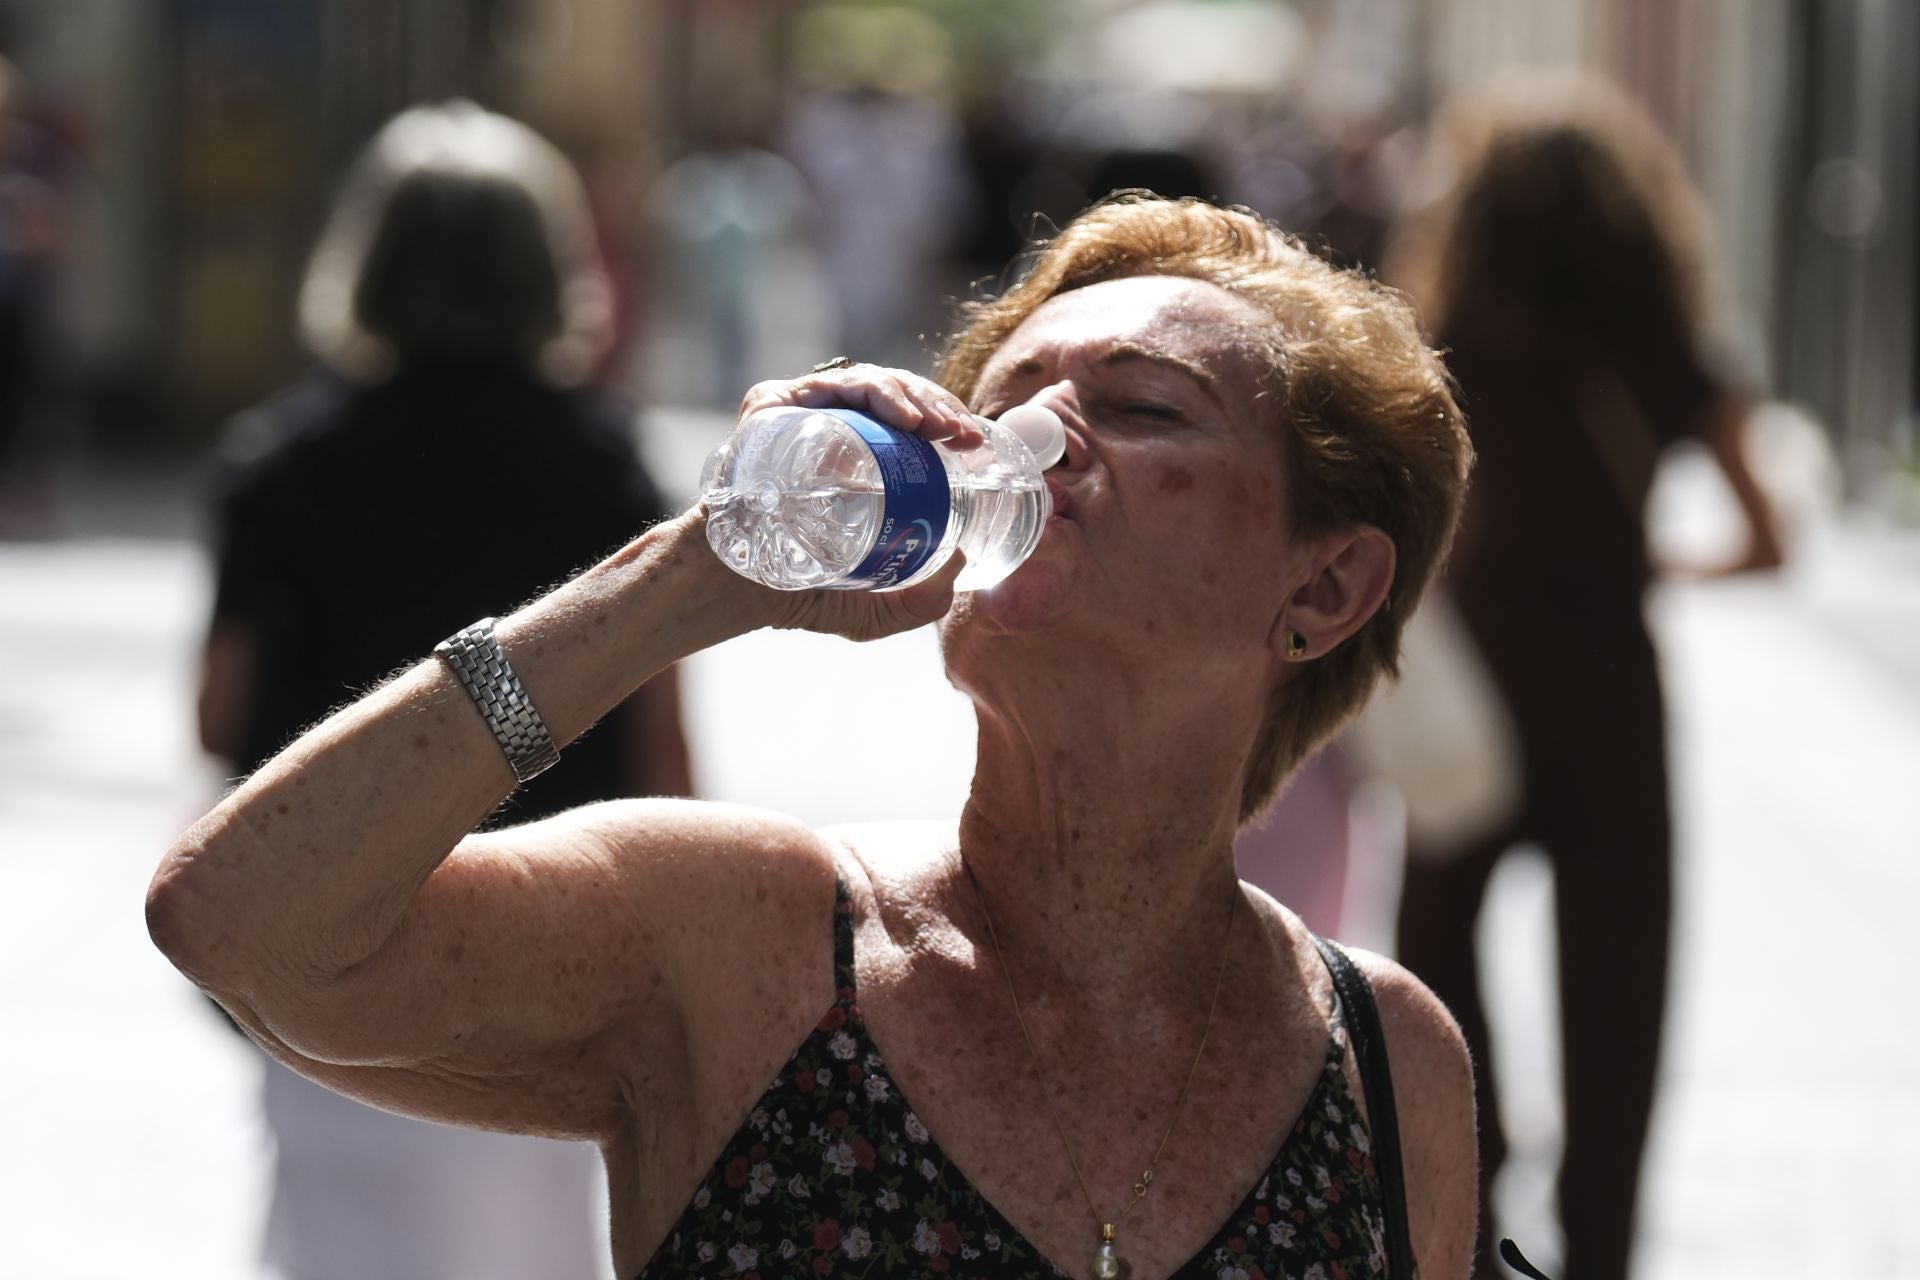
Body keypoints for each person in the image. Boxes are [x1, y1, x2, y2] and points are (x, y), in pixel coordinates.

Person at [153, 193, 1479, 1280]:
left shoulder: (1379, 1056)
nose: (1035, 439)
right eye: (1007, 401)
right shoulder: (744, 944)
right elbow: (238, 922)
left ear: (1325, 587)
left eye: (1141, 408)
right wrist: (688, 574)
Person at [197, 101, 692, 1280]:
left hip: (329, 934)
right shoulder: (602, 460)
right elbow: (664, 743)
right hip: (550, 936)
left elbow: (218, 713)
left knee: (341, 1238)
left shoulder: (281, 461)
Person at [1385, 80, 1786, 1280]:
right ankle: (1600, 1247)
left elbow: (1414, 530)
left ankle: (1462, 1216)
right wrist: (1644, 558)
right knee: (1620, 991)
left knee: (1437, 970)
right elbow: (1771, 542)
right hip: (1613, 690)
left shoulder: (1441, 345)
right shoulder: (1672, 353)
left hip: (1475, 699)